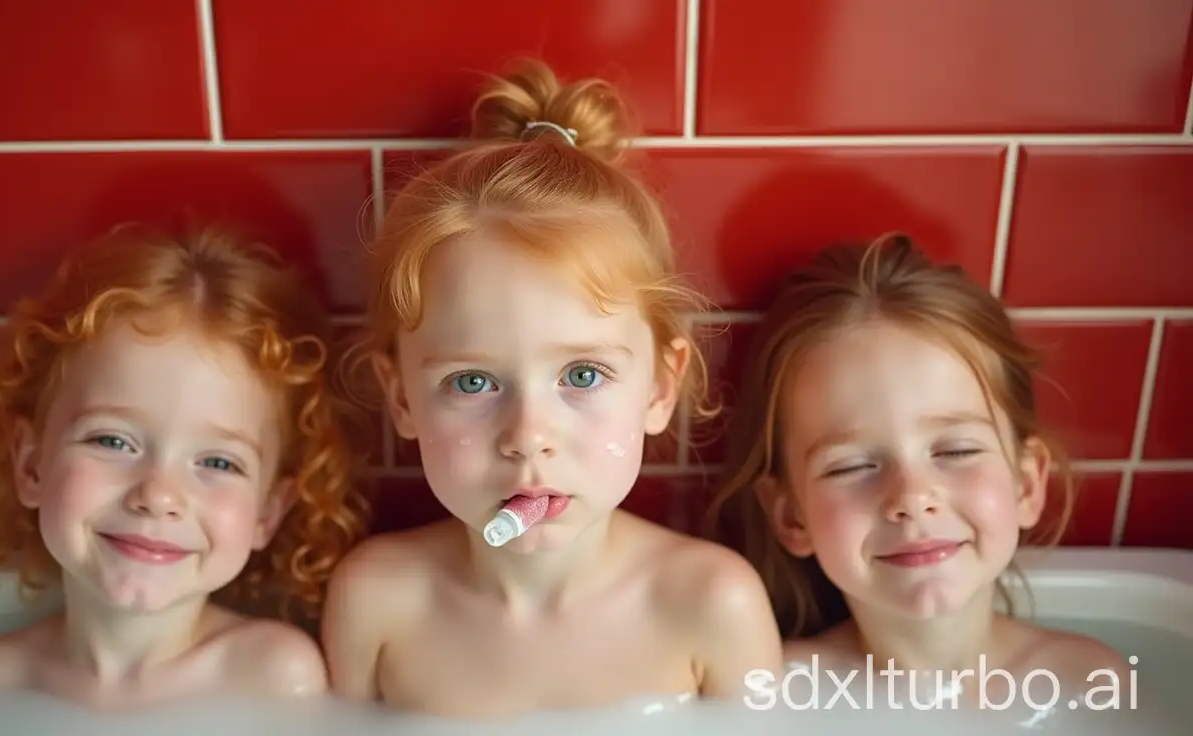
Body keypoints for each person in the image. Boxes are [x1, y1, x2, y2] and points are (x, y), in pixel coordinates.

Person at [322, 59, 782, 717]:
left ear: (658, 387)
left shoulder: (711, 605)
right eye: (472, 381)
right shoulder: (377, 601)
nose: (527, 437)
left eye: (582, 375)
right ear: (400, 398)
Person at [0, 224, 367, 710]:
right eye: (112, 440)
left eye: (218, 462)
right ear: (32, 465)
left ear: (268, 511)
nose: (158, 495)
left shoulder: (271, 676)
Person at [706, 233, 1132, 716]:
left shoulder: (1087, 682)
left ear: (1026, 485)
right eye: (853, 465)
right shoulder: (777, 695)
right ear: (791, 516)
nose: (912, 496)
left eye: (956, 450)